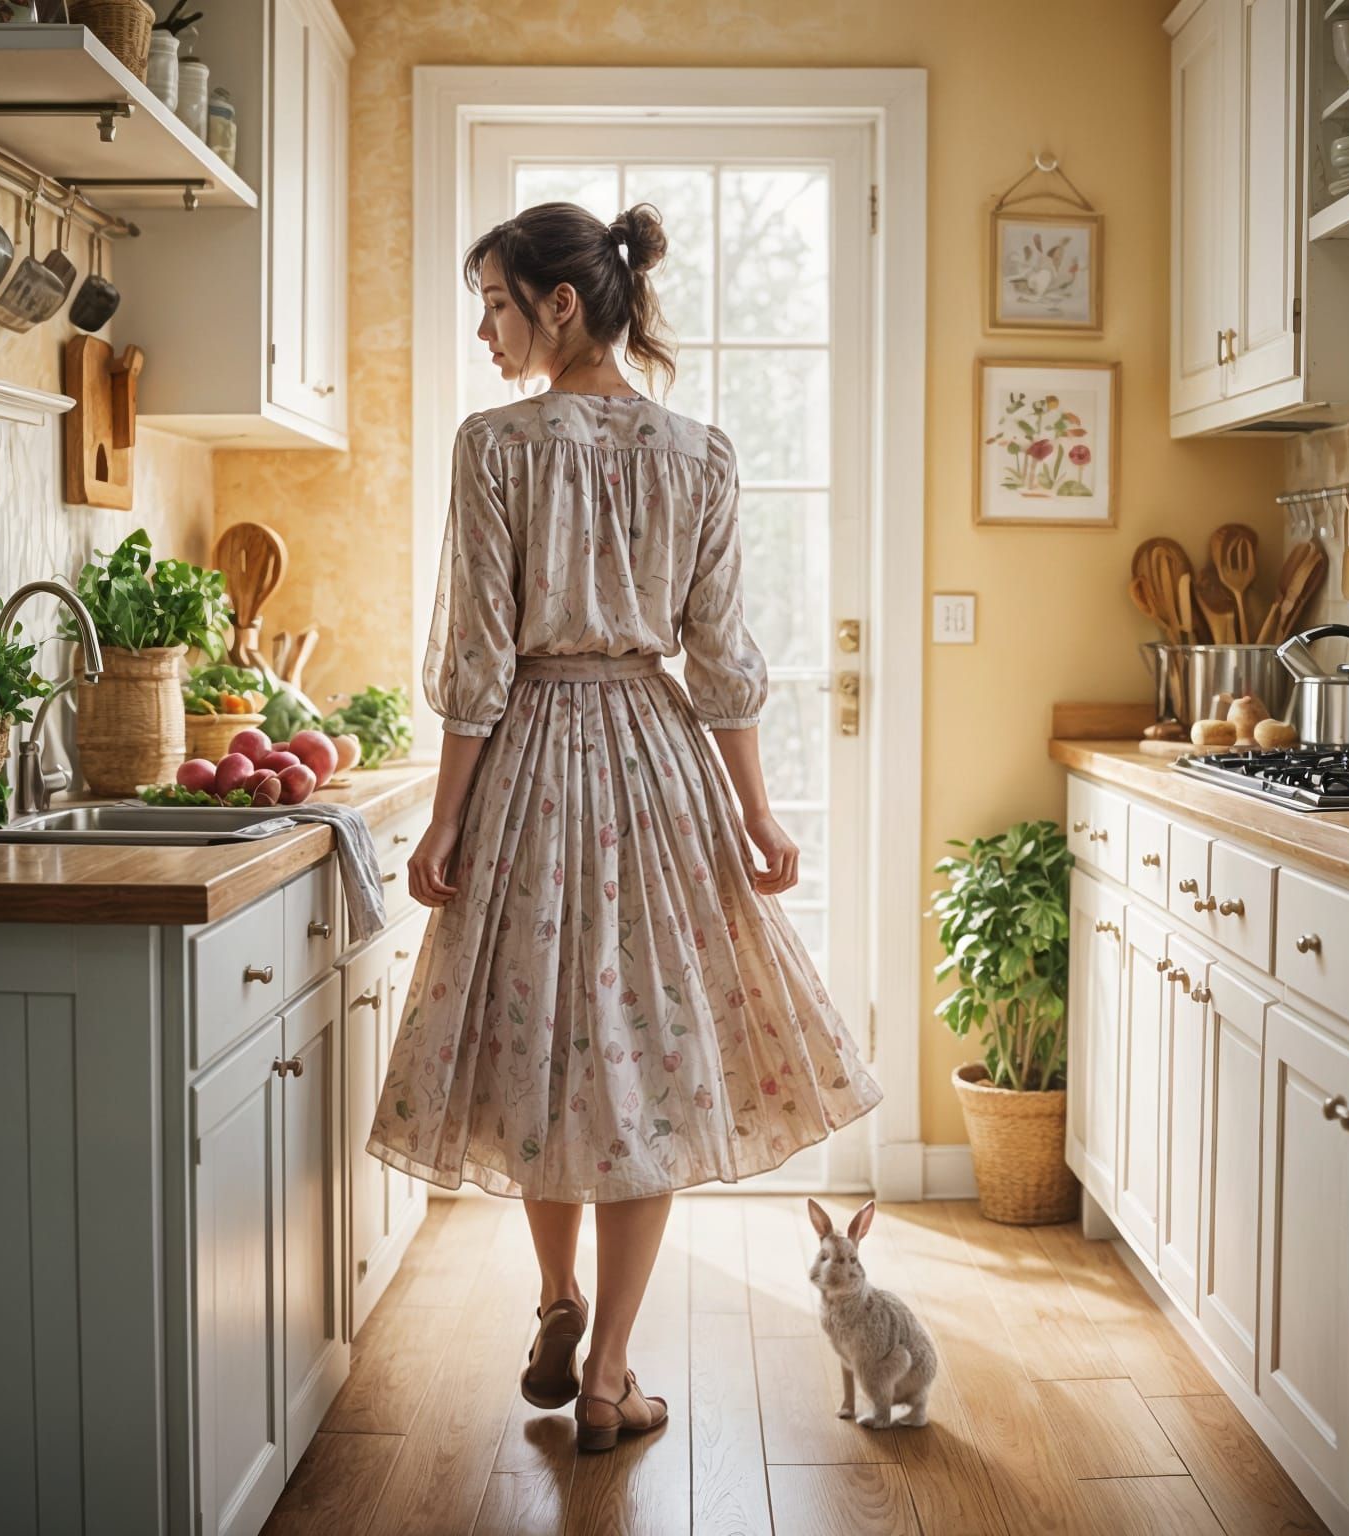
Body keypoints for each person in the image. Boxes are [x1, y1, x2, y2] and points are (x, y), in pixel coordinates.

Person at [363, 199, 884, 1453]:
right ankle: (609, 1379)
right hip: (658, 772)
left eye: (495, 302)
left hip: (534, 765)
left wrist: (444, 824)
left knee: (545, 1044)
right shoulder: (700, 453)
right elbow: (723, 660)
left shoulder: (494, 446)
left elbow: (481, 659)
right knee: (642, 1067)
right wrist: (756, 813)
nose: (485, 331)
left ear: (559, 303)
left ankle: (554, 1295)